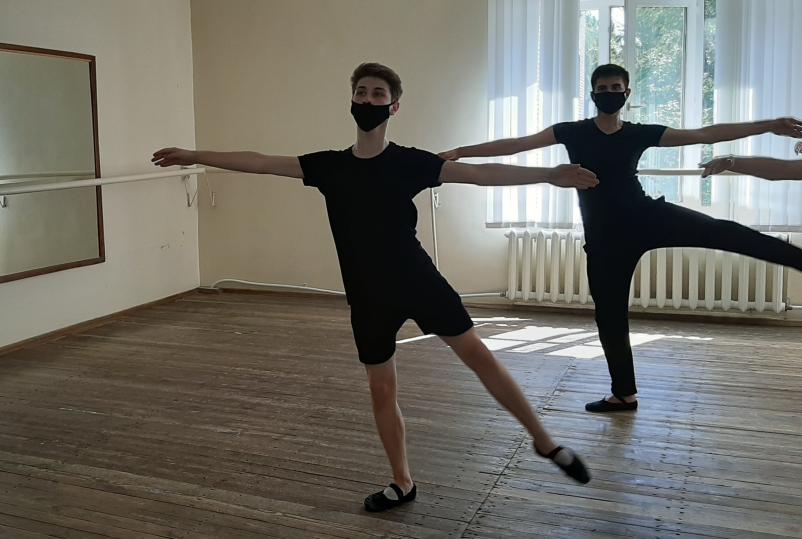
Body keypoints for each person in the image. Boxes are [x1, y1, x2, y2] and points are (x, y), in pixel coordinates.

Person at [152, 62, 594, 512]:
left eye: (377, 94)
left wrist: (548, 174)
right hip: (367, 295)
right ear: (352, 100)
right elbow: (261, 162)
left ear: (393, 106)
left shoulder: (410, 162)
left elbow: (481, 175)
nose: (367, 99)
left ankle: (544, 442)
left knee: (479, 357)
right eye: (361, 92)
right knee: (382, 389)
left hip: (418, 280)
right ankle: (402, 481)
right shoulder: (329, 166)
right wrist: (195, 155)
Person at [440, 64, 802, 413]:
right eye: (603, 88)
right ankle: (624, 395)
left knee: (725, 232)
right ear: (593, 94)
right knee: (609, 315)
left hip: (647, 217)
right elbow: (517, 144)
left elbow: (704, 134)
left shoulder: (640, 133)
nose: (609, 93)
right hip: (605, 237)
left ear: (627, 94)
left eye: (616, 88)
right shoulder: (571, 131)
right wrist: (461, 153)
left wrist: (769, 125)